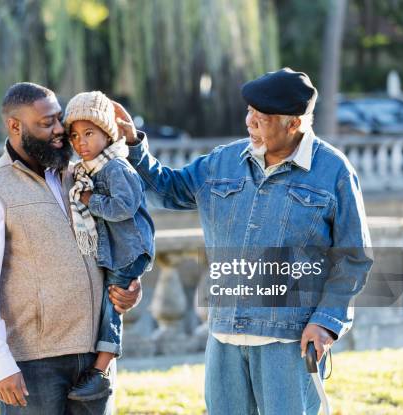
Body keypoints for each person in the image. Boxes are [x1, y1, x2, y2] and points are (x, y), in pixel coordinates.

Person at [120, 68, 374, 414]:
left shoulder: (334, 171)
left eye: (262, 117)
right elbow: (168, 189)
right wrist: (134, 144)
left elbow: (353, 258)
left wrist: (327, 321)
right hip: (224, 337)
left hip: (289, 343)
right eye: (249, 112)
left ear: (293, 124)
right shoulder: (223, 161)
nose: (250, 122)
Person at [0, 82, 142, 414]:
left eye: (59, 119)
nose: (60, 130)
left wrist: (129, 287)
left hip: (93, 359)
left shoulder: (82, 177)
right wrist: (0, 366)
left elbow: (120, 234)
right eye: (47, 123)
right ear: (15, 126)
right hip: (32, 366)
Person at [62, 91, 155, 401]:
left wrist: (90, 199)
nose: (80, 142)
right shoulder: (87, 169)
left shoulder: (116, 167)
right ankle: (100, 366)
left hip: (129, 250)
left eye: (89, 133)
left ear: (107, 133)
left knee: (112, 306)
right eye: (74, 135)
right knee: (108, 301)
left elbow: (123, 207)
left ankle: (101, 370)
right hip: (118, 248)